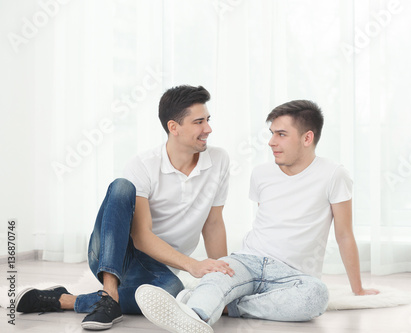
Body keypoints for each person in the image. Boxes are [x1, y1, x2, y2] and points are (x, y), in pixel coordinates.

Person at [134, 99, 380, 333]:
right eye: (271, 133)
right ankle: (193, 315)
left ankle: (228, 305)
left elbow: (344, 234)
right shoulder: (261, 174)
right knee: (218, 276)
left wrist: (357, 289)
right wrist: (221, 267)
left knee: (315, 297)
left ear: (307, 138)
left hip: (293, 274)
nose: (272, 142)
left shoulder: (334, 174)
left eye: (281, 134)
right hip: (248, 260)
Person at [14, 85, 234, 331]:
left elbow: (213, 224)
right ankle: (109, 292)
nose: (208, 129)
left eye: (208, 120)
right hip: (115, 251)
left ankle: (65, 299)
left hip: (157, 264)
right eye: (199, 122)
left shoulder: (219, 161)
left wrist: (220, 281)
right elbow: (141, 237)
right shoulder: (143, 165)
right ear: (174, 127)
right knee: (121, 187)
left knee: (172, 291)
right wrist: (192, 264)